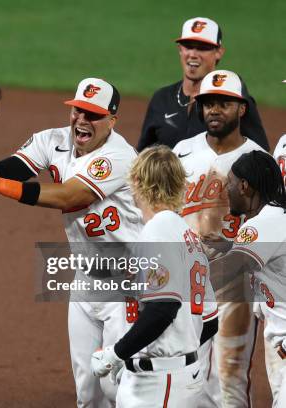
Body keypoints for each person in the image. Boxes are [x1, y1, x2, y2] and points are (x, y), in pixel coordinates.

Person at [0, 78, 141, 407]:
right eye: (78, 110)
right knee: (88, 391)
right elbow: (11, 168)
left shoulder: (118, 156)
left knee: (120, 388)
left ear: (112, 120)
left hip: (129, 281)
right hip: (84, 280)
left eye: (93, 114)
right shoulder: (52, 140)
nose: (82, 119)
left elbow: (69, 194)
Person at [90, 145, 218, 407]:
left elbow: (162, 309)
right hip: (173, 376)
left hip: (160, 383)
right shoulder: (186, 235)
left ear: (136, 181)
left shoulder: (158, 231)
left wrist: (117, 354)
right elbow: (210, 322)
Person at [173, 69, 265, 407]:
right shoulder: (181, 151)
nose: (214, 110)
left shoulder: (257, 161)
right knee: (186, 373)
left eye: (223, 103)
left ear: (241, 109)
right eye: (208, 103)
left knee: (229, 379)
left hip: (235, 285)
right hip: (185, 281)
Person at [211, 150, 286, 406]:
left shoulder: (264, 223)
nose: (226, 190)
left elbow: (223, 272)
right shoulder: (275, 218)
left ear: (244, 186)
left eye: (230, 183)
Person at [138, 16, 268, 151]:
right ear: (180, 49)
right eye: (188, 46)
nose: (193, 54)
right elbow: (143, 155)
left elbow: (260, 155)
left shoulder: (233, 99)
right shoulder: (161, 98)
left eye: (202, 48)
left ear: (219, 52)